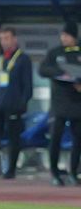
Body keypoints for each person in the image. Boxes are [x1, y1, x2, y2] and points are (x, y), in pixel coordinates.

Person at [0, 26, 33, 180]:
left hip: (13, 105)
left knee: (13, 138)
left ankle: (11, 169)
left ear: (14, 39)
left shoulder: (23, 59)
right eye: (2, 39)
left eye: (7, 38)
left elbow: (28, 85)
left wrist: (22, 103)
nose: (4, 42)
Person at [38, 21, 81, 185]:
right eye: (62, 35)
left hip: (77, 103)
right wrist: (62, 73)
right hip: (59, 104)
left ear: (74, 36)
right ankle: (55, 173)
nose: (63, 38)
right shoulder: (54, 53)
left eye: (67, 35)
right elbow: (42, 70)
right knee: (55, 138)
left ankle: (74, 172)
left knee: (78, 139)